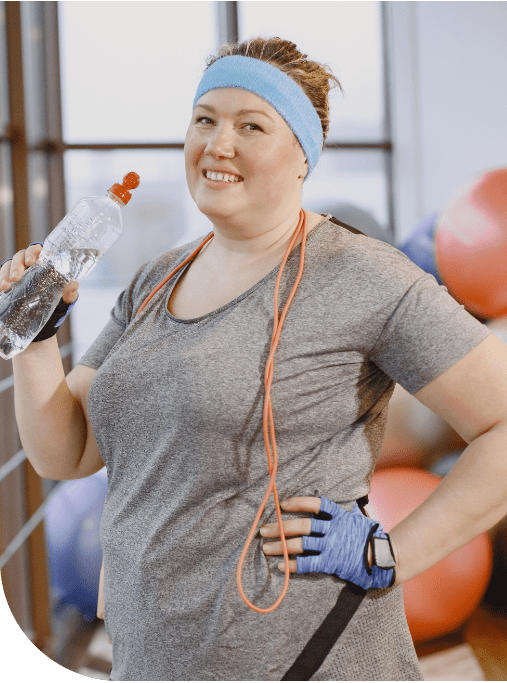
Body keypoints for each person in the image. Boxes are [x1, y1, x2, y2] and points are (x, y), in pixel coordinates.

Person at [4, 36, 507, 682]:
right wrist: (36, 333)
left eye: (251, 125)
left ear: (302, 155)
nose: (218, 144)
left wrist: (389, 552)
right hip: (154, 659)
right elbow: (66, 450)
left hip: (305, 660)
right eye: (204, 120)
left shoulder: (362, 274)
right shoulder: (155, 279)